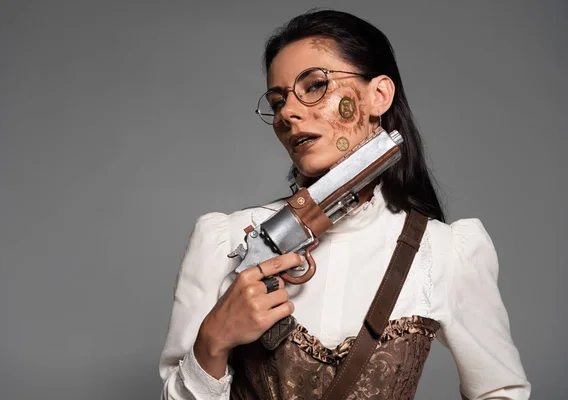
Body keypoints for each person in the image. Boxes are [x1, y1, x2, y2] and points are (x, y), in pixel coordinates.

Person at [159, 9, 530, 400]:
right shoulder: (224, 239)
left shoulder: (443, 251)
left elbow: (500, 391)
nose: (287, 112)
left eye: (315, 85)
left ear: (379, 96)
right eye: (277, 99)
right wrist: (213, 343)